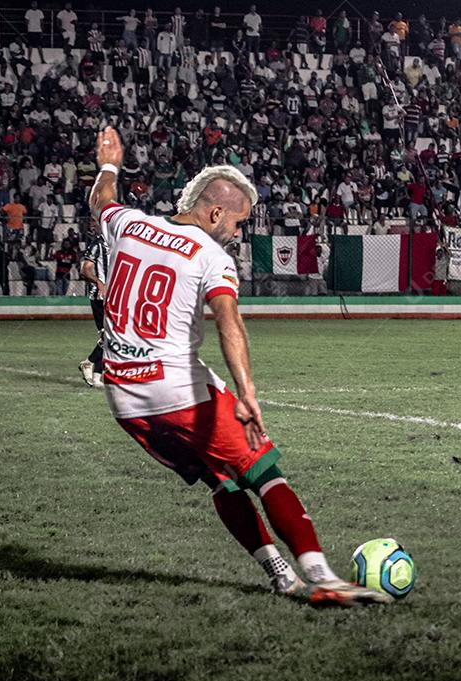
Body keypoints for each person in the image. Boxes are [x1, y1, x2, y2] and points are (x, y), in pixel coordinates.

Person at [89, 126, 387, 607]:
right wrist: (247, 394)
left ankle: (279, 575)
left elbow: (100, 200)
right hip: (178, 391)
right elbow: (230, 323)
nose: (237, 233)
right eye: (239, 222)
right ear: (214, 212)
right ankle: (322, 577)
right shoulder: (209, 254)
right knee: (264, 471)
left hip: (124, 400)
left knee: (221, 478)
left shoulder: (128, 224)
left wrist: (109, 163)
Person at [79, 232, 109, 387]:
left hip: (113, 296)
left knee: (110, 337)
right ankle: (89, 362)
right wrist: (98, 282)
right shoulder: (97, 245)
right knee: (110, 336)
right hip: (100, 296)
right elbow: (86, 270)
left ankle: (97, 376)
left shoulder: (118, 243)